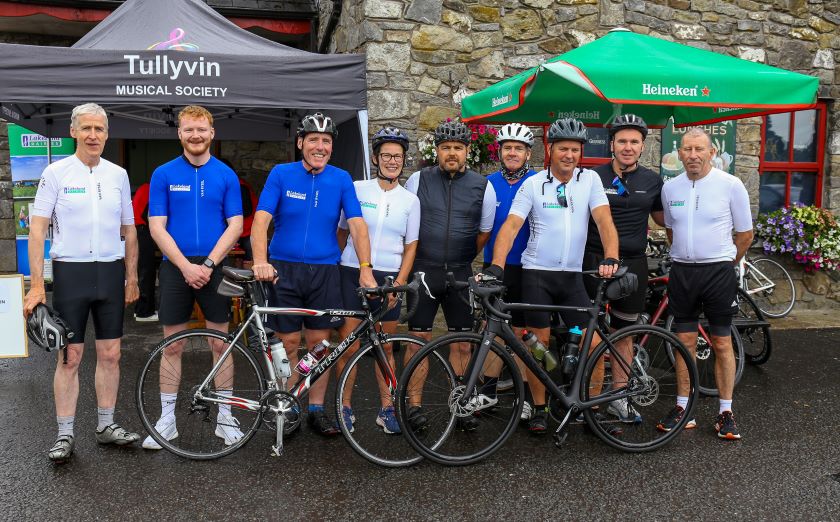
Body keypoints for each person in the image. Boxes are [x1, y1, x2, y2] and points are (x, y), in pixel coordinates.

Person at [484, 117, 619, 434]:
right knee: (538, 345)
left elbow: (604, 221)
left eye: (575, 149)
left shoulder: (589, 181)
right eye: (563, 149)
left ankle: (592, 408)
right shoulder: (533, 184)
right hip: (537, 277)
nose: (569, 155)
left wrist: (612, 255)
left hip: (571, 279)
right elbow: (511, 226)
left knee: (592, 341)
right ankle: (541, 407)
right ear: (550, 149)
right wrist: (496, 265)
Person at [23, 102, 140, 462]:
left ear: (107, 134)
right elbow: (38, 230)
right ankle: (65, 433)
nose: (93, 135)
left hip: (109, 272)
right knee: (70, 356)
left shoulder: (118, 174)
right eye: (86, 128)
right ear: (73, 132)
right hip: (71, 273)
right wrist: (38, 285)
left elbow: (130, 230)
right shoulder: (56, 173)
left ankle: (106, 425)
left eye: (100, 129)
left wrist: (132, 276)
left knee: (111, 354)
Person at [250, 112, 376, 436]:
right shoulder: (281, 174)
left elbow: (358, 226)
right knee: (289, 342)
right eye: (314, 140)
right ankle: (289, 404)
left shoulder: (341, 178)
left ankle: (316, 409)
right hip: (284, 269)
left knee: (320, 344)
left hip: (324, 270)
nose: (320, 146)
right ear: (300, 142)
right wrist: (260, 261)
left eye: (327, 141)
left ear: (331, 147)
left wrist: (366, 269)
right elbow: (261, 220)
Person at [143, 105, 244, 449]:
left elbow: (236, 224)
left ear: (212, 133)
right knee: (174, 345)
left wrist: (210, 264)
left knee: (221, 343)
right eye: (189, 130)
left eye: (201, 129)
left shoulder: (226, 175)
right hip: (176, 267)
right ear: (180, 133)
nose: (196, 135)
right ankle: (167, 420)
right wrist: (186, 266)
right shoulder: (163, 174)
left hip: (215, 267)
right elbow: (156, 226)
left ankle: (225, 417)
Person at [659, 127, 753, 440]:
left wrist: (726, 262)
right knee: (684, 342)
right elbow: (671, 231)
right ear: (679, 153)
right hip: (684, 272)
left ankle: (725, 412)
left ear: (711, 152)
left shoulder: (731, 185)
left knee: (722, 342)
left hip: (718, 273)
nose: (693, 156)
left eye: (699, 149)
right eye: (687, 150)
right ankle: (683, 408)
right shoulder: (671, 188)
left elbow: (745, 234)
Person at [404, 119, 497, 432]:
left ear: (467, 151)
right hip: (424, 271)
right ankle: (413, 405)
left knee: (462, 344)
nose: (452, 153)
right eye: (446, 148)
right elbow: (408, 226)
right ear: (437, 151)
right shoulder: (418, 179)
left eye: (458, 148)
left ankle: (461, 404)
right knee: (418, 341)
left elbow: (484, 232)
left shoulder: (483, 186)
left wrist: (462, 257)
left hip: (459, 271)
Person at [334, 126, 421, 434]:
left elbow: (411, 246)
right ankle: (344, 407)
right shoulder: (358, 188)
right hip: (352, 272)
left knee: (385, 347)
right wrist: (345, 261)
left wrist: (400, 281)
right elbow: (344, 230)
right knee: (349, 345)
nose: (392, 161)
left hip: (388, 279)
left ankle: (387, 409)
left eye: (397, 156)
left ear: (404, 160)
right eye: (386, 155)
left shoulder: (410, 200)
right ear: (375, 157)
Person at [581, 114, 665, 424]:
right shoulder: (592, 177)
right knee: (587, 332)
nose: (627, 147)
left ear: (642, 146)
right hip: (593, 261)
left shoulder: (653, 181)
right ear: (611, 144)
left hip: (633, 264)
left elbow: (665, 221)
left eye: (633, 142)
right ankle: (588, 398)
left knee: (624, 332)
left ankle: (619, 397)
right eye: (622, 141)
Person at [482, 123, 538, 422]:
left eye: (518, 148)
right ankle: (488, 392)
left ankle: (527, 396)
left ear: (528, 152)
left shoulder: (539, 181)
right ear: (500, 152)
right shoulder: (488, 183)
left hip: (527, 269)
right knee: (493, 332)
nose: (512, 152)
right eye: (507, 148)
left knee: (523, 335)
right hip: (496, 267)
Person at [131, 182, 160, 321]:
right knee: (147, 272)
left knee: (142, 271)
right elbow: (151, 216)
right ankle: (144, 312)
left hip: (135, 230)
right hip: (141, 230)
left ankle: (140, 309)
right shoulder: (154, 189)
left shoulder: (144, 187)